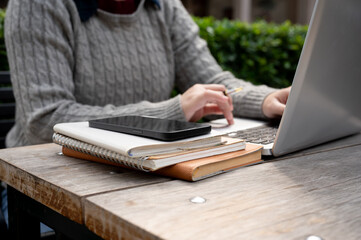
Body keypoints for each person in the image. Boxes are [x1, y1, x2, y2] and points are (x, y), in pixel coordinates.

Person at [4, 0, 290, 148]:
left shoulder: (164, 5)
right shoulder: (37, 5)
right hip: (43, 189)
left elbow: (215, 83)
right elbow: (44, 121)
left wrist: (265, 100)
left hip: (144, 169)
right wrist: (171, 112)